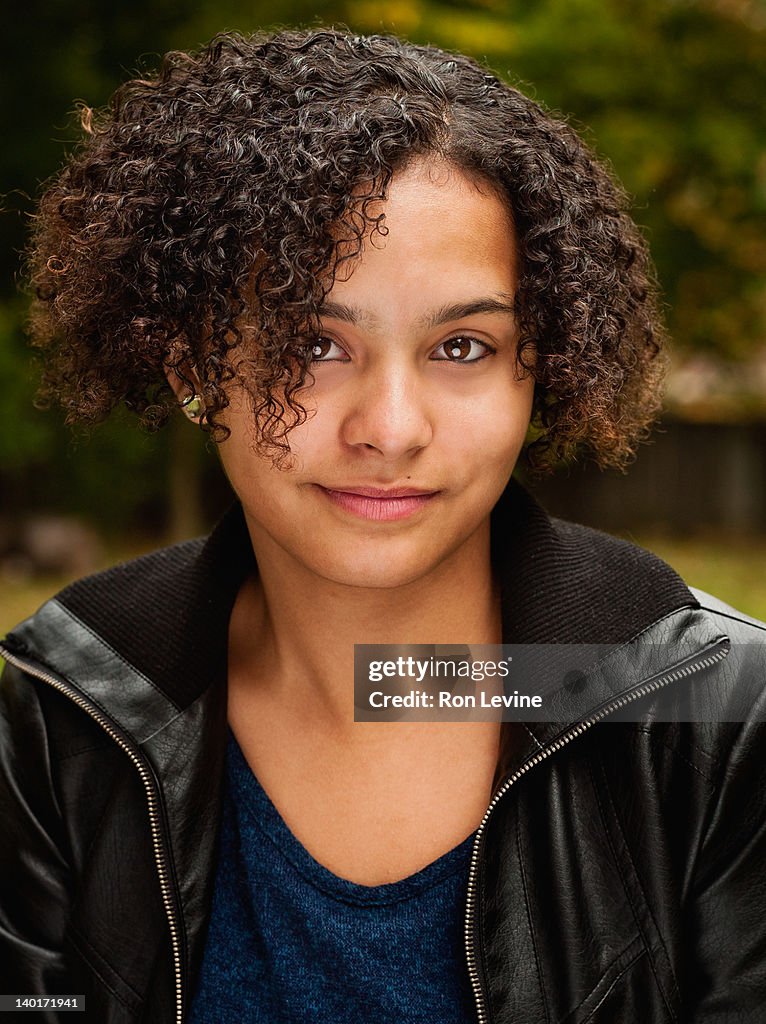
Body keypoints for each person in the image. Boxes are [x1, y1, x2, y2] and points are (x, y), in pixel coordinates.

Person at [1, 26, 765, 1024]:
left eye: (462, 345)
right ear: (190, 367)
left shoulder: (709, 713)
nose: (391, 429)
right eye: (314, 341)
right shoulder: (70, 707)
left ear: (542, 366)